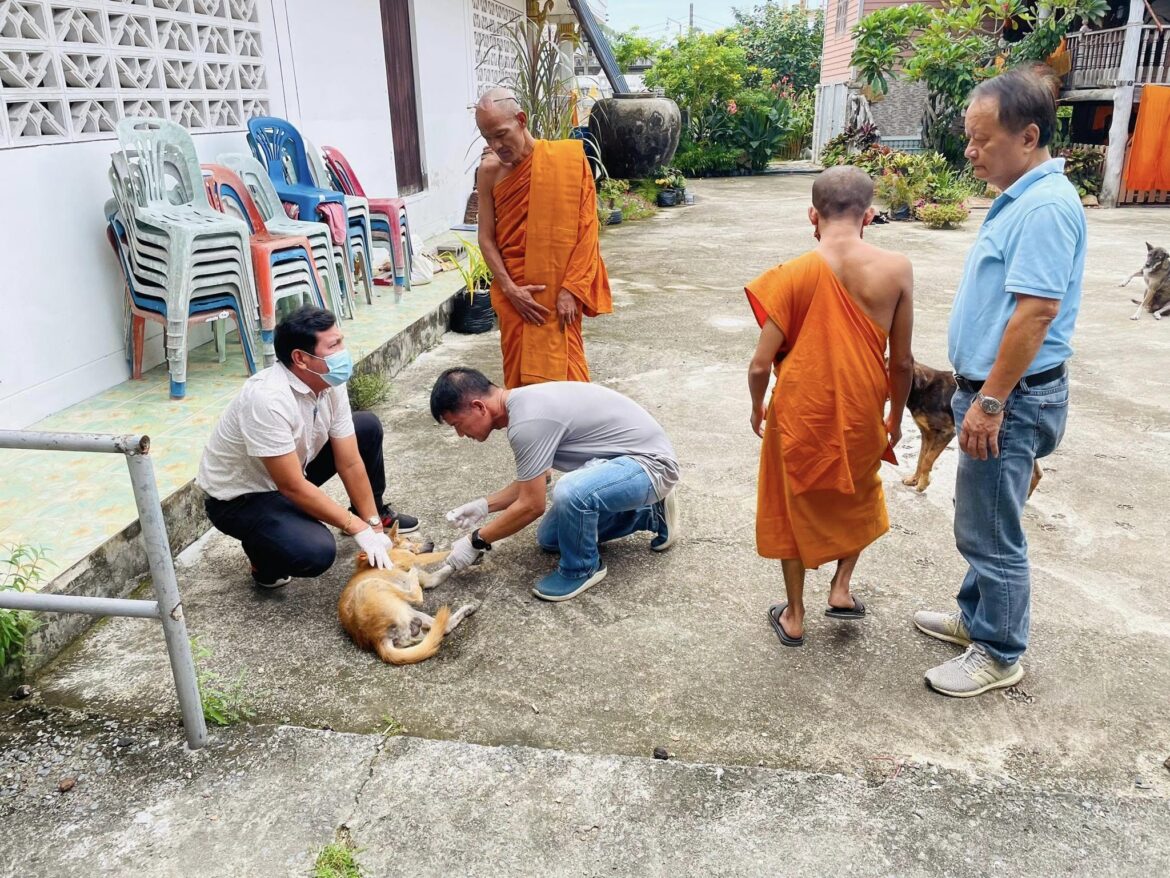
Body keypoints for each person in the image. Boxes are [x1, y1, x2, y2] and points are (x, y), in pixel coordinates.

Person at [915, 69, 1085, 697]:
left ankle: (999, 650)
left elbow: (1036, 312)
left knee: (991, 528)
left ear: (1029, 135)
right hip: (997, 392)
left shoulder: (1043, 208)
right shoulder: (1021, 197)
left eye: (981, 140)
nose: (970, 150)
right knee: (982, 514)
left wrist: (989, 401)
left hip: (1009, 397)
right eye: (968, 138)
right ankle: (976, 618)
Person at [746, 165, 914, 648]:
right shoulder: (896, 269)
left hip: (801, 411)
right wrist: (895, 418)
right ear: (871, 215)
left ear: (812, 216)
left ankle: (795, 616)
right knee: (858, 492)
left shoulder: (794, 273)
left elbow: (760, 365)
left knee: (793, 502)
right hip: (864, 405)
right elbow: (900, 362)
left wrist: (758, 407)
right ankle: (841, 588)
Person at [197, 306, 418, 588]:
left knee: (366, 427)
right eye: (334, 345)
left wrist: (371, 524)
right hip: (242, 498)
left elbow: (349, 460)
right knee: (315, 552)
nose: (343, 352)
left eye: (341, 341)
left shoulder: (328, 380)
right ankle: (261, 557)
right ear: (301, 359)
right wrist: (355, 526)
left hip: (291, 472)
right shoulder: (267, 399)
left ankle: (375, 512)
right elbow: (291, 486)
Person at [430, 368, 679, 601]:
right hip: (620, 466)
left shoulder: (527, 421)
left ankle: (582, 569)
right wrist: (484, 506)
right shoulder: (522, 407)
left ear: (478, 406)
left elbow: (532, 505)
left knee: (571, 490)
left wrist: (476, 541)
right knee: (551, 539)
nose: (460, 434)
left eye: (457, 425)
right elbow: (538, 479)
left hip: (651, 466)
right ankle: (649, 513)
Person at [474, 87, 612, 388]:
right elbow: (486, 238)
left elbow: (587, 232)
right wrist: (511, 290)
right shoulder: (488, 172)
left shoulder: (569, 159)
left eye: (500, 134)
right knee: (522, 385)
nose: (496, 145)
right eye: (487, 138)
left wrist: (571, 290)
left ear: (521, 119)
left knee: (570, 384)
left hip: (558, 296)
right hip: (516, 297)